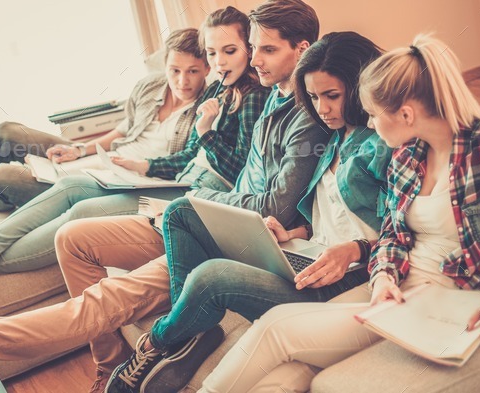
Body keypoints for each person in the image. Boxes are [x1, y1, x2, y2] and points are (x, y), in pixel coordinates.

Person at [0, 0, 325, 392]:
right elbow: (248, 186)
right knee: (73, 236)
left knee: (103, 297)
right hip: (210, 218)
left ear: (301, 49)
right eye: (252, 48)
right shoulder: (271, 100)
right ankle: (103, 359)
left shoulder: (300, 113)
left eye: (262, 50)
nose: (253, 59)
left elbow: (270, 203)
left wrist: (201, 199)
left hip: (223, 230)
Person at [106, 31, 392, 393]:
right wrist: (295, 234)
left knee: (211, 278)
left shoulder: (381, 143)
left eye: (332, 96)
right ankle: (191, 333)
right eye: (315, 97)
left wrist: (356, 249)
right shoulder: (332, 137)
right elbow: (332, 211)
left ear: (359, 86)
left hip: (341, 277)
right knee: (182, 211)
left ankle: (159, 341)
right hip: (308, 253)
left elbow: (401, 230)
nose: (321, 108)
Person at [198, 34, 480, 393]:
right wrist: (383, 280)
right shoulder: (409, 157)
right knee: (283, 377)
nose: (371, 124)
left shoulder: (477, 153)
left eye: (375, 115)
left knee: (276, 329)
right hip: (398, 290)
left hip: (452, 300)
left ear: (406, 115)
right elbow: (394, 235)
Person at [0, 15, 269, 280]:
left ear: (247, 50)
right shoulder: (215, 91)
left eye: (229, 51)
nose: (220, 61)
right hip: (153, 176)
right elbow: (189, 154)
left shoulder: (250, 98)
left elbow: (237, 167)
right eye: (214, 52)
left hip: (184, 190)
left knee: (77, 211)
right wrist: (127, 164)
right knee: (65, 184)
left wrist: (201, 133)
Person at [0, 28, 209, 222]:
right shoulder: (150, 86)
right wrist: (79, 149)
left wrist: (135, 164)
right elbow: (122, 132)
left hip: (131, 178)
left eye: (193, 71)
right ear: (165, 65)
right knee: (7, 133)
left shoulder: (206, 110)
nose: (182, 81)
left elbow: (180, 167)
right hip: (103, 156)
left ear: (207, 67)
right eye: (175, 70)